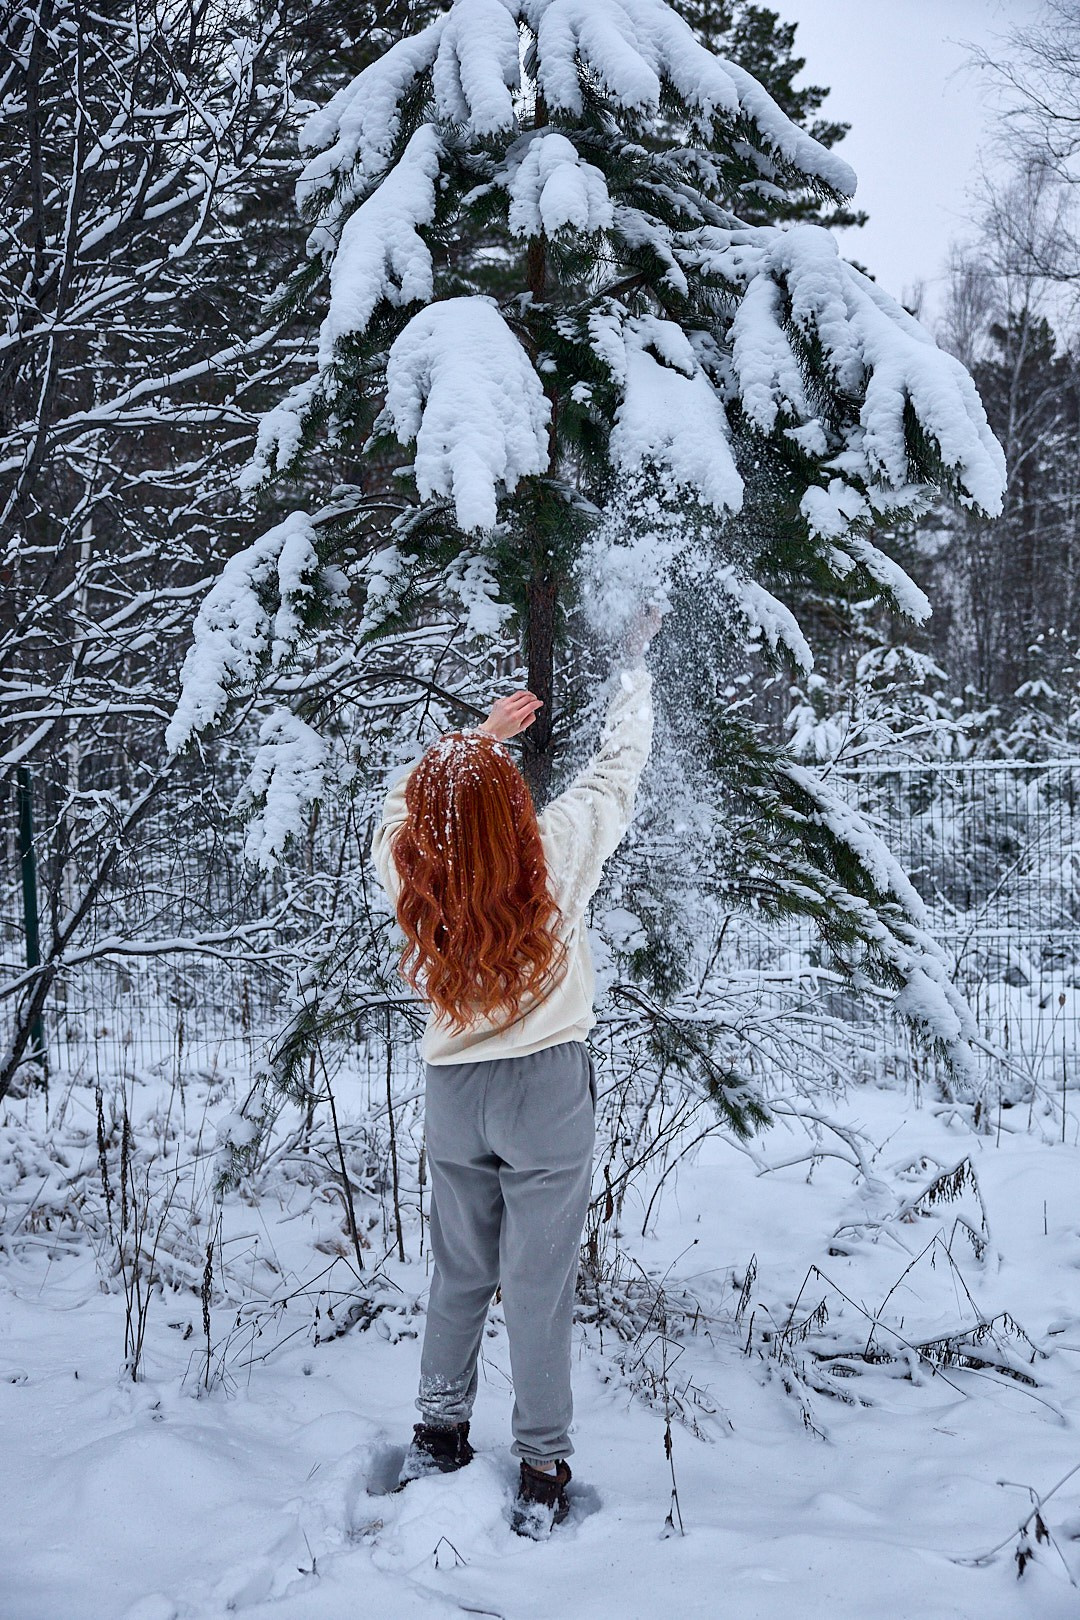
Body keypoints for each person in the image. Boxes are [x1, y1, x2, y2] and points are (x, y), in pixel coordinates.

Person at [370, 614, 657, 1537]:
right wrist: (632, 670)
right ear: (513, 806)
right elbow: (615, 775)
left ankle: (437, 1435)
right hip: (544, 1092)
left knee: (460, 1271)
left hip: (455, 1097)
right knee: (537, 1282)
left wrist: (473, 740)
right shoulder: (555, 852)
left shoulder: (412, 872)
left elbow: (397, 806)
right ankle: (540, 1467)